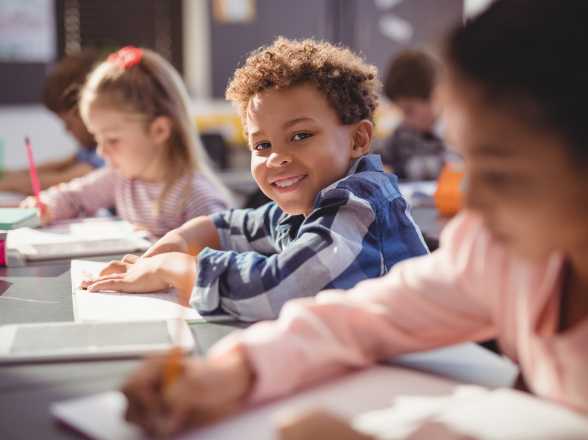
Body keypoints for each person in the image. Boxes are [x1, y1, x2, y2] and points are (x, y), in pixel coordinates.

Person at [120, 1, 588, 438]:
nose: (470, 200)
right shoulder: (494, 250)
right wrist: (237, 370)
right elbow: (365, 316)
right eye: (466, 160)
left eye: (502, 170)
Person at [82, 37, 429, 320]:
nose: (276, 157)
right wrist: (177, 241)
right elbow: (234, 226)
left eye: (300, 135)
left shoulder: (358, 207)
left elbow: (278, 290)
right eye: (262, 144)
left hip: (417, 379)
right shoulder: (308, 202)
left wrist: (175, 267)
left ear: (358, 139)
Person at [21, 46, 231, 238]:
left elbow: (217, 267)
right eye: (97, 139)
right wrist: (47, 206)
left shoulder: (197, 198)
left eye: (112, 140)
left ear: (159, 130)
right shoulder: (122, 178)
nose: (102, 152)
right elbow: (74, 197)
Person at [0, 50, 105, 195]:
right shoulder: (89, 148)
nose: (66, 130)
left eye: (68, 123)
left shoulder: (107, 150)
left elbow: (68, 179)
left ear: (86, 113)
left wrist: (12, 183)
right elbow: (61, 164)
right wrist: (12, 174)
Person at [380, 49, 447, 181]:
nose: (405, 120)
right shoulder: (402, 134)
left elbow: (453, 168)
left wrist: (398, 170)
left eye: (409, 110)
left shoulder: (456, 135)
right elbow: (380, 162)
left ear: (436, 98)